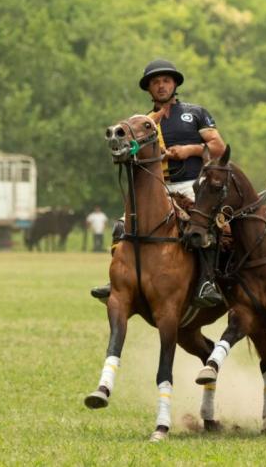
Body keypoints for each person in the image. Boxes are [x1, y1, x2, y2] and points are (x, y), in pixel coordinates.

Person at [91, 59, 226, 307]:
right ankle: (116, 281)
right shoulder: (142, 122)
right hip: (156, 189)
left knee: (204, 226)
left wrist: (189, 150)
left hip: (191, 185)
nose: (161, 86)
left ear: (175, 84)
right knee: (121, 227)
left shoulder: (195, 113)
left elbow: (219, 147)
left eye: (166, 81)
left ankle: (207, 282)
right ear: (149, 88)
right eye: (155, 82)